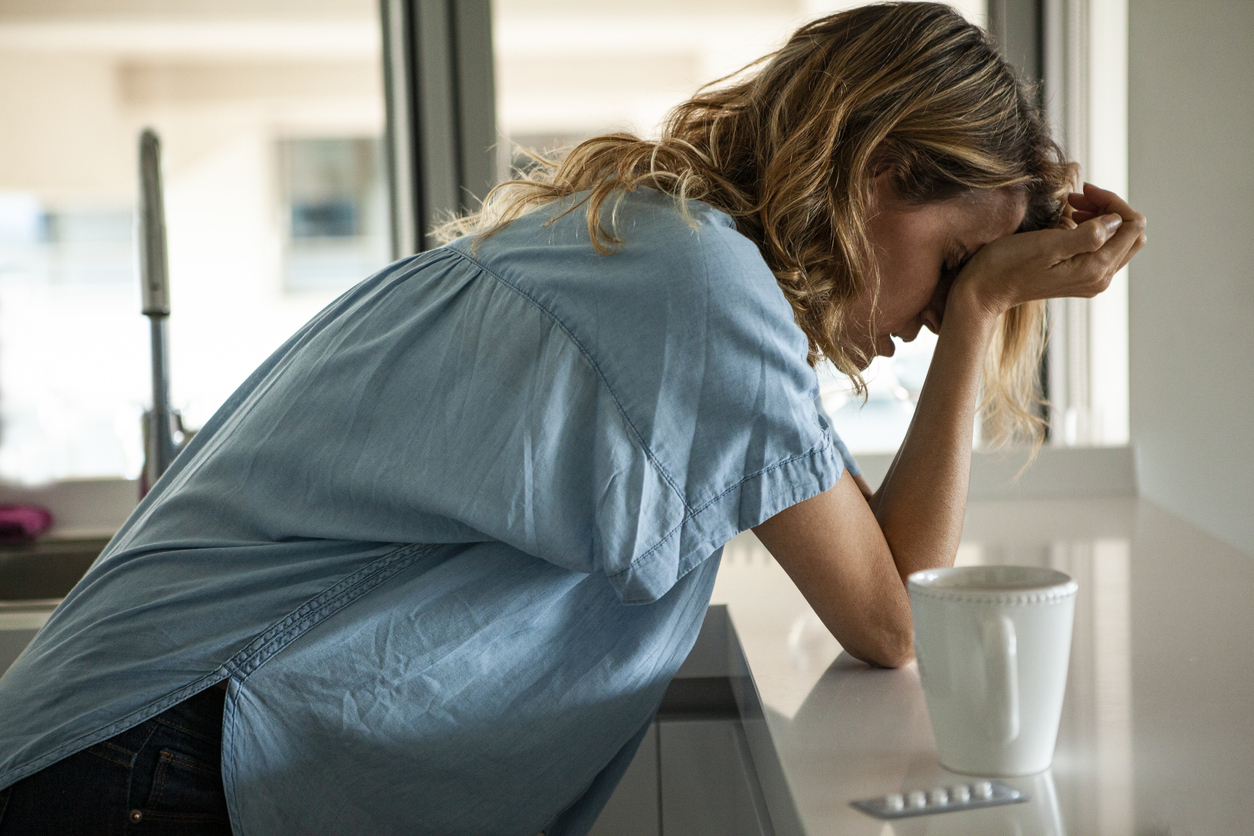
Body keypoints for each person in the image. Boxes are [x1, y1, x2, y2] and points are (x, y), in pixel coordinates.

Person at [0, 3, 1145, 834]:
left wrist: (980, 278)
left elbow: (888, 585)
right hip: (149, 759)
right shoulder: (701, 291)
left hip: (136, 751)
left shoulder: (664, 246)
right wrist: (994, 301)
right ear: (881, 174)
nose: (937, 319)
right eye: (947, 269)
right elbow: (896, 616)